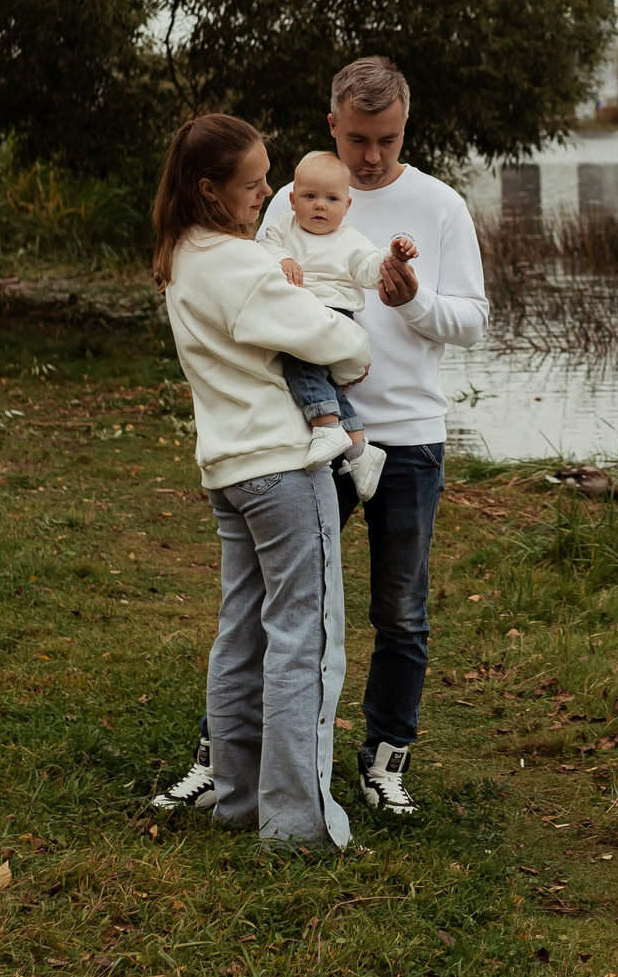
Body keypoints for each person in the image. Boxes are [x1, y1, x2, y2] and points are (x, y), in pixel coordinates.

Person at [155, 57, 487, 819]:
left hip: (407, 436)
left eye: (390, 138)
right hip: (307, 441)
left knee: (400, 612)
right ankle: (221, 756)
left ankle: (384, 760)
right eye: (361, 138)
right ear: (333, 123)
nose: (373, 156)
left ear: (408, 125)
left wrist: (414, 301)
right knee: (280, 608)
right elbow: (253, 288)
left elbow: (473, 319)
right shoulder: (290, 196)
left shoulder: (438, 205)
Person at [153, 112, 373, 847]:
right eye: (254, 184)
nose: (269, 192)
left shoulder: (182, 254)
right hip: (282, 468)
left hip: (228, 470)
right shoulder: (243, 267)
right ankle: (296, 823)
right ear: (210, 189)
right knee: (304, 639)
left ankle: (239, 797)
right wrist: (353, 345)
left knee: (242, 632)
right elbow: (338, 340)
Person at [262, 148, 417, 503]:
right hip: (299, 311)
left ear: (346, 206)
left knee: (298, 364)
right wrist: (283, 258)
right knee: (324, 381)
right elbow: (262, 248)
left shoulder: (349, 240)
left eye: (331, 198)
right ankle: (360, 449)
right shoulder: (282, 231)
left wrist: (391, 255)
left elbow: (367, 266)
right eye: (310, 196)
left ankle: (326, 426)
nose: (320, 206)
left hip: (333, 315)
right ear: (292, 200)